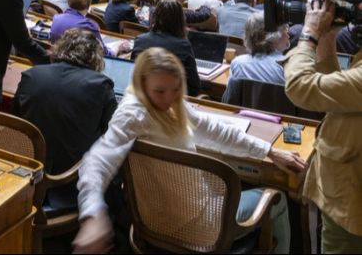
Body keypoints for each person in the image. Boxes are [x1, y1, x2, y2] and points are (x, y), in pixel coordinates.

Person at [73, 48, 305, 254]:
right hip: (202, 227)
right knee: (279, 198)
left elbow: (212, 129)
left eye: (175, 90)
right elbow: (97, 162)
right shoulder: (133, 115)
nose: (168, 99)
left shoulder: (167, 102)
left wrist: (269, 151)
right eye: (160, 91)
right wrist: (92, 215)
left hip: (152, 224)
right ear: (143, 84)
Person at [284, 0, 362, 252]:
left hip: (351, 208)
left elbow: (299, 87)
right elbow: (338, 98)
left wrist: (310, 34)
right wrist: (328, 38)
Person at [14, 27, 116, 199]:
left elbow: (15, 122)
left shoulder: (32, 75)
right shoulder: (100, 85)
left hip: (26, 174)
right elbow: (111, 139)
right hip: (70, 183)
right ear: (95, 57)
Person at [131, 0, 201, 96]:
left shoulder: (140, 40)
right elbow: (194, 88)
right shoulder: (183, 45)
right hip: (172, 101)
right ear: (180, 20)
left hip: (141, 97)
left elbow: (133, 77)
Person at [227, 13, 289, 86]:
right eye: (285, 30)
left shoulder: (237, 64)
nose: (288, 35)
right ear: (274, 36)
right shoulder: (288, 67)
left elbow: (231, 96)